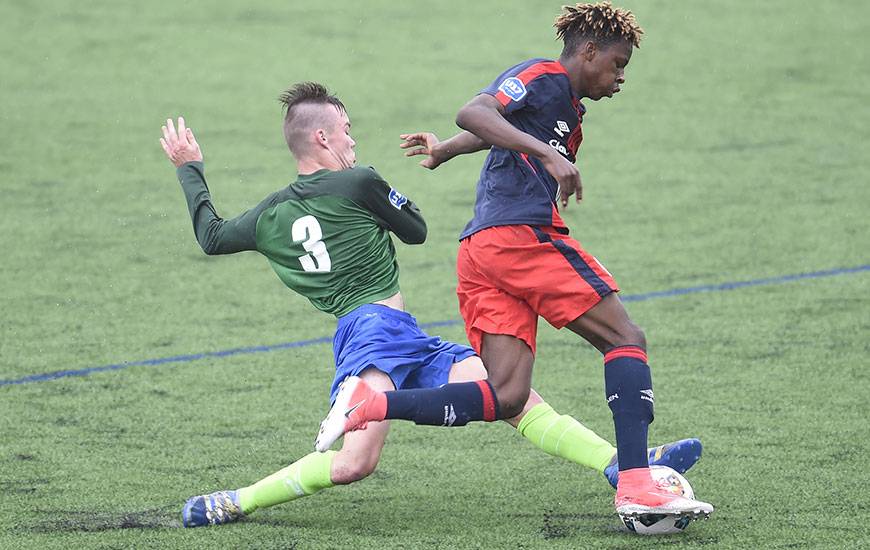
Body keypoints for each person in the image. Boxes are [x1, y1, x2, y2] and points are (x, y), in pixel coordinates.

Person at [159, 81, 701, 528]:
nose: (352, 141)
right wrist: (377, 200)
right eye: (346, 132)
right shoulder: (359, 180)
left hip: (392, 333)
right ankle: (237, 500)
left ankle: (624, 464)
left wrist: (190, 167)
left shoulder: (268, 215)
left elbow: (211, 235)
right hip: (375, 332)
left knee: (512, 400)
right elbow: (415, 230)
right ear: (322, 137)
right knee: (353, 463)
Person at [319, 2, 713, 520]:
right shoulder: (544, 75)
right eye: (617, 64)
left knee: (506, 395)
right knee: (625, 338)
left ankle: (370, 405)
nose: (620, 78)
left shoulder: (566, 105)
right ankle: (638, 482)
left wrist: (447, 151)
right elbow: (477, 111)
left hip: (480, 255)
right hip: (517, 238)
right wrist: (550, 155)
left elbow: (487, 129)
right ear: (587, 50)